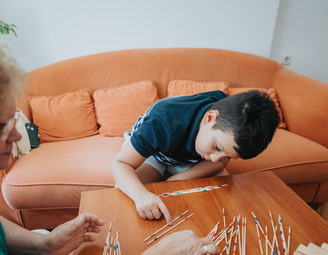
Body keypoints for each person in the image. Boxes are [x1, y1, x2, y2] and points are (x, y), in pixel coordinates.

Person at [0, 18, 222, 255]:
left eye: (11, 120)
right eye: (0, 126)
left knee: (39, 233)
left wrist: (45, 244)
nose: (15, 137)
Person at [112, 89, 279, 224]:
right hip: (153, 154)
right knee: (129, 196)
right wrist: (141, 196)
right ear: (210, 118)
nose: (216, 159)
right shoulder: (161, 122)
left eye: (227, 155)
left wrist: (178, 180)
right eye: (217, 147)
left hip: (190, 159)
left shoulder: (234, 119)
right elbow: (120, 164)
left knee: (221, 198)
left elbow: (219, 164)